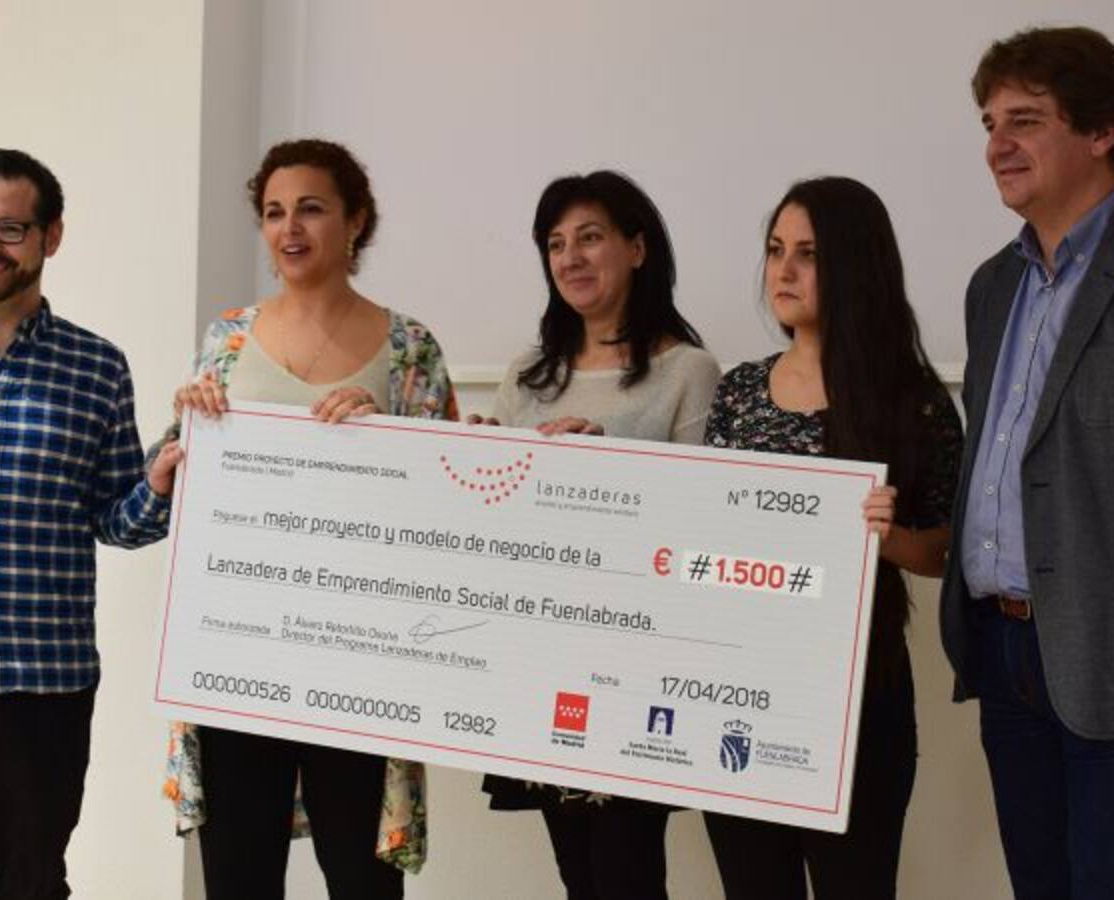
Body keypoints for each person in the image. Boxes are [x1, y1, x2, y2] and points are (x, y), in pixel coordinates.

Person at [162, 138, 456, 900]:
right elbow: (177, 484)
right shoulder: (226, 340)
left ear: (356, 221)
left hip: (359, 663)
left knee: (362, 883)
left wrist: (391, 439)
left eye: (311, 209)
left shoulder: (409, 348)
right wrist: (183, 436)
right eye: (273, 212)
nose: (289, 228)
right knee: (239, 879)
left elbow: (450, 508)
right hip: (239, 659)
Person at [0, 148, 182, 899]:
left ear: (50, 236)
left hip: (47, 682)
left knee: (33, 883)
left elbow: (116, 520)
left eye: (9, 228)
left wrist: (157, 485)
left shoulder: (98, 367)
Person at [702, 176, 962, 899]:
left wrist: (888, 538)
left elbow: (950, 550)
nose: (783, 271)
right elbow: (704, 530)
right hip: (738, 689)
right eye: (775, 249)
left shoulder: (912, 399)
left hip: (859, 695)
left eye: (808, 254)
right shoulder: (738, 392)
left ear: (855, 265)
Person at [477, 170, 721, 900]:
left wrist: (609, 464)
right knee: (578, 877)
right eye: (556, 244)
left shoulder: (688, 371)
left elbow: (704, 520)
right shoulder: (529, 373)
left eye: (589, 238)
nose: (571, 258)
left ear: (637, 249)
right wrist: (478, 458)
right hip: (540, 658)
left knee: (627, 873)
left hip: (635, 665)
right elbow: (496, 515)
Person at [939, 26, 1114, 900]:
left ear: (1102, 130)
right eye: (989, 124)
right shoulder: (992, 286)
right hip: (1002, 646)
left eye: (1026, 121)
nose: (997, 146)